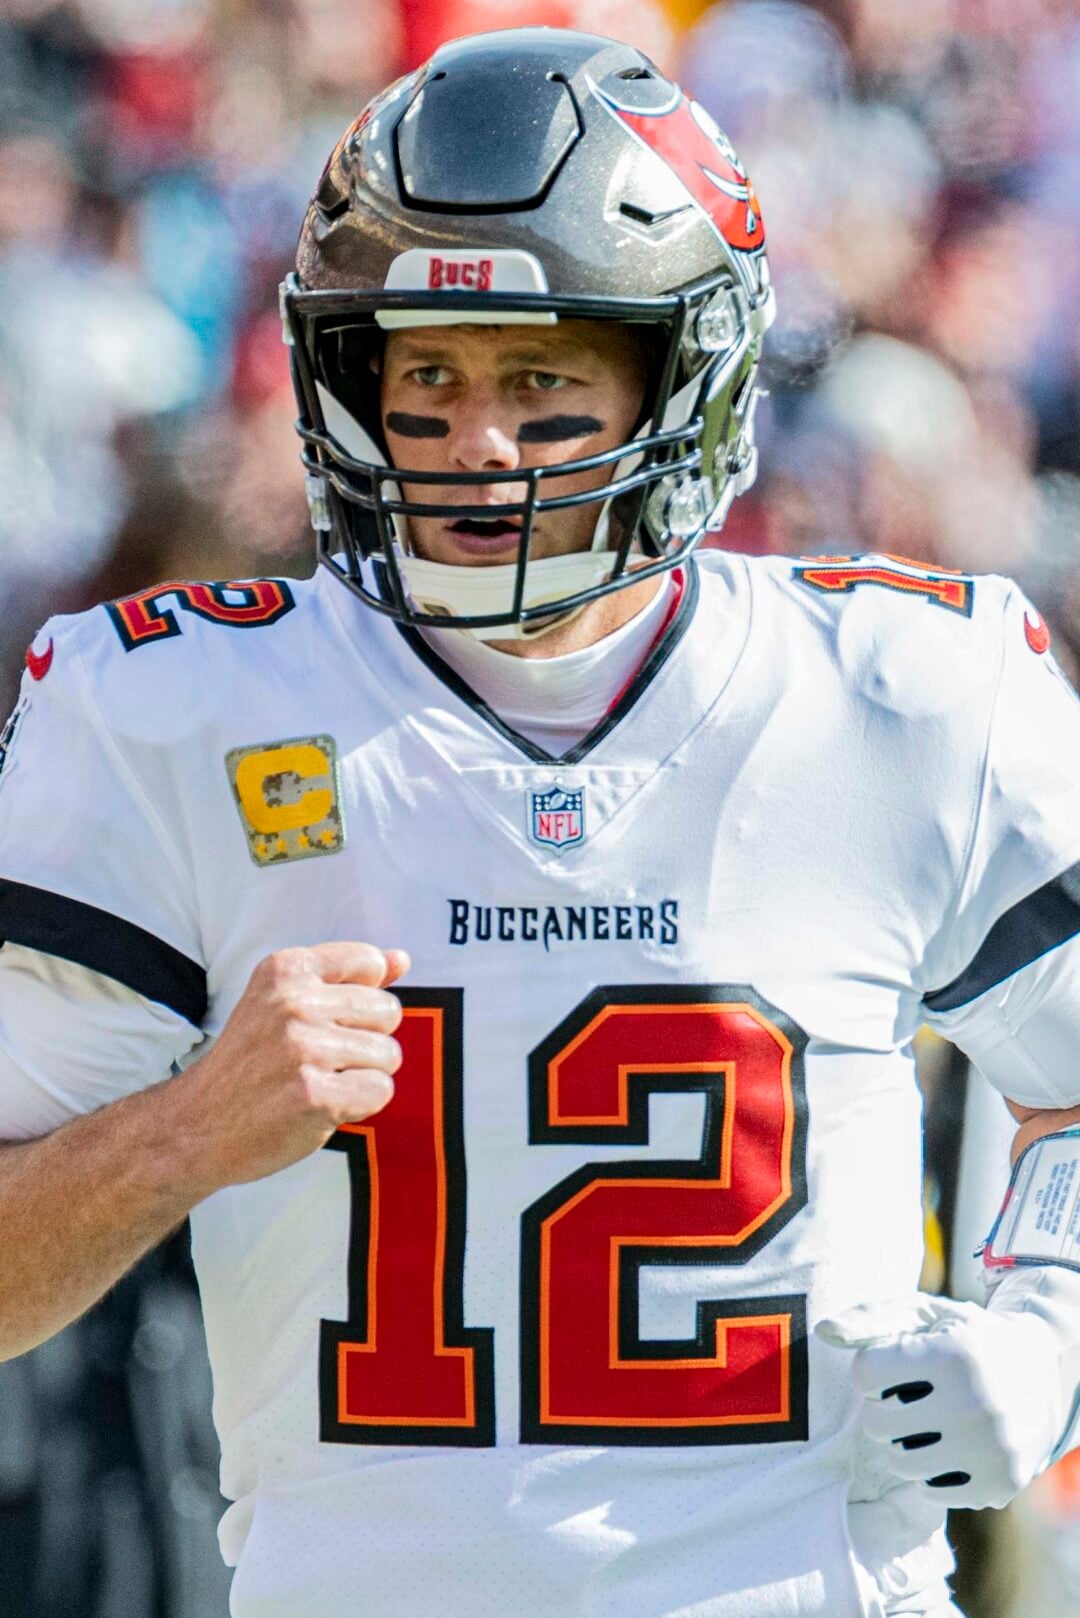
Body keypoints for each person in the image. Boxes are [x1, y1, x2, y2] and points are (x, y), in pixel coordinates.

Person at [1, 26, 1080, 1618]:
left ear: (683, 368)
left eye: (543, 375)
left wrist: (1047, 1327)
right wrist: (178, 1134)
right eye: (424, 373)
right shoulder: (164, 710)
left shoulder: (910, 689)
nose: (477, 442)